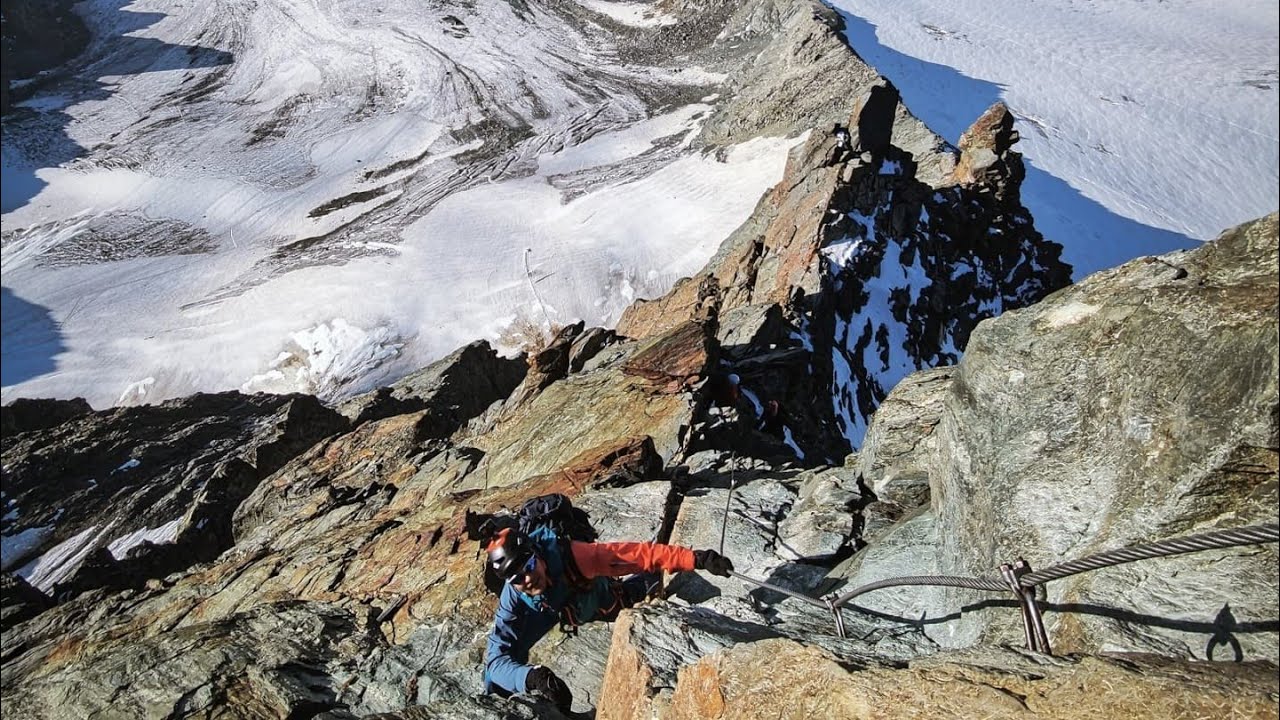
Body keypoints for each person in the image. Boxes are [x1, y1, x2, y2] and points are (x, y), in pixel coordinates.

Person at [483, 526, 735, 710]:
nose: (527, 579)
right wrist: (531, 677)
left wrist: (696, 558)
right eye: (516, 578)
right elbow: (496, 658)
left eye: (528, 566)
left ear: (537, 554)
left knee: (623, 600)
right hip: (547, 612)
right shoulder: (514, 597)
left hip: (592, 598)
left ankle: (642, 585)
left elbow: (637, 555)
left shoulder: (577, 558)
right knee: (497, 675)